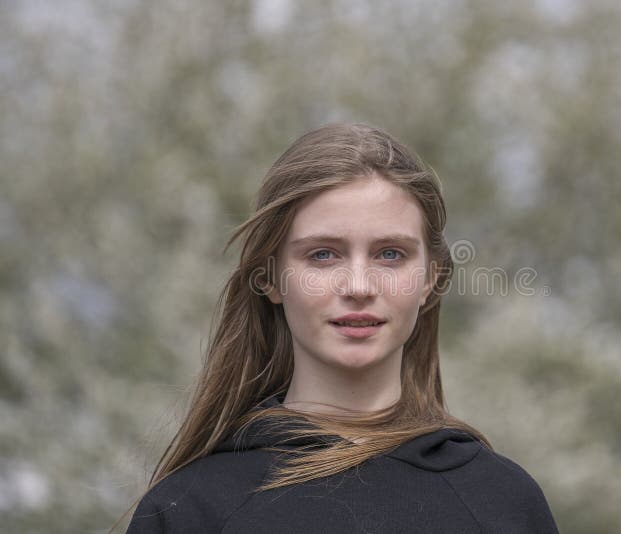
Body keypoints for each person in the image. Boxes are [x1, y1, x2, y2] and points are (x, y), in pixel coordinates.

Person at [123, 123, 559, 533]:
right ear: (271, 277)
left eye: (390, 254)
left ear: (430, 279)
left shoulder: (502, 503)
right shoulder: (191, 510)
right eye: (322, 255)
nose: (358, 286)